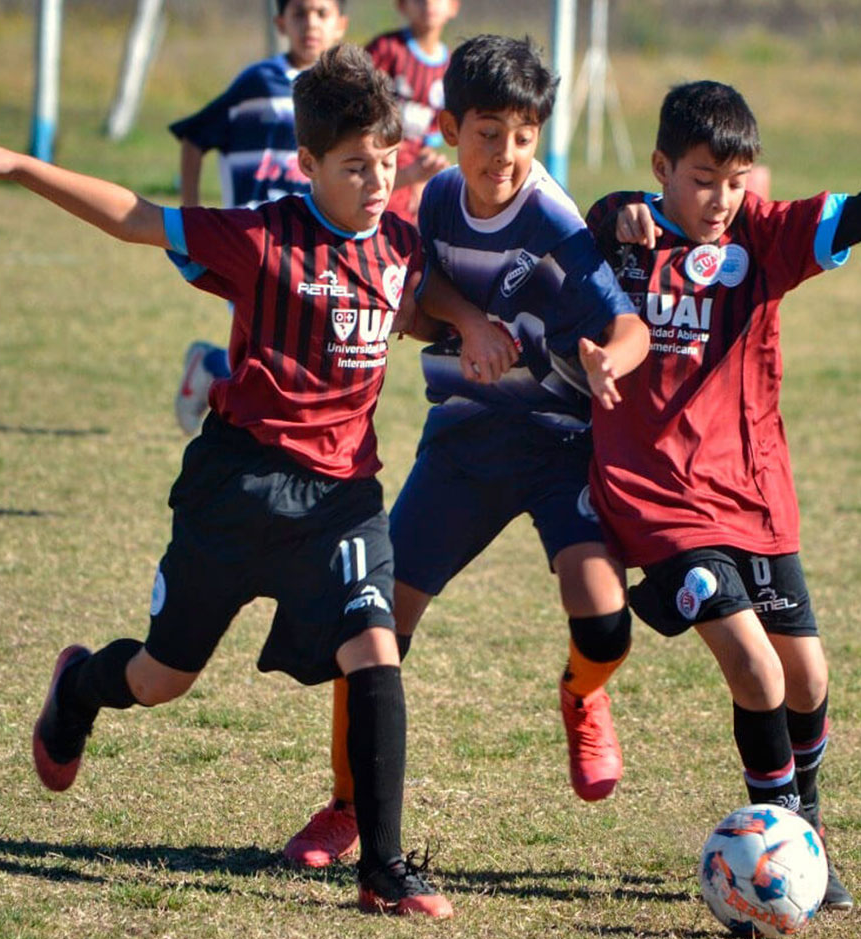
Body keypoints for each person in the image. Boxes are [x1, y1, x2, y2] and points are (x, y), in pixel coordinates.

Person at [0, 44, 454, 918]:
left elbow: (435, 302)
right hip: (237, 488)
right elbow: (134, 216)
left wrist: (479, 329)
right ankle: (76, 689)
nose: (375, 183)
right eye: (354, 167)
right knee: (160, 678)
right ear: (309, 166)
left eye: (387, 162)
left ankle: (387, 868)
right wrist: (21, 164)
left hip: (343, 500)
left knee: (376, 651)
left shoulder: (402, 245)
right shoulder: (263, 234)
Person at [579, 80, 861, 912]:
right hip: (657, 501)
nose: (719, 199)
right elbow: (585, 221)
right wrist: (616, 207)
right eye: (699, 179)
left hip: (754, 496)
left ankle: (809, 839)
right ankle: (781, 837)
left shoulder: (767, 235)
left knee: (806, 673)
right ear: (662, 169)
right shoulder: (627, 238)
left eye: (735, 179)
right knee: (754, 669)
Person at [279, 33, 651, 869]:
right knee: (372, 629)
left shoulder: (555, 222)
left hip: (558, 445)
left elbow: (630, 327)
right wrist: (464, 319)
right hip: (461, 447)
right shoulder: (437, 201)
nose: (507, 155)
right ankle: (344, 808)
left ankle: (582, 696)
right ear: (449, 127)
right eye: (489, 132)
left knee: (605, 622)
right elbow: (408, 279)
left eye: (523, 136)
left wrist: (607, 361)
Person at [171, 0, 349, 435]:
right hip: (253, 242)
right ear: (281, 23)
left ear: (340, 24)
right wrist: (192, 215)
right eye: (301, 13)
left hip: (312, 245)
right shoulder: (259, 82)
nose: (311, 23)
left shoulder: (344, 95)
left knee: (289, 351)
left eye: (322, 13)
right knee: (274, 349)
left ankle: (211, 367)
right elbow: (195, 138)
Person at [365, 0, 458, 224]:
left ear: (454, 6)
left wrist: (422, 178)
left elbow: (431, 138)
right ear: (402, 5)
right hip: (374, 159)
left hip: (412, 174)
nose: (428, 3)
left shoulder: (451, 68)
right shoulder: (386, 49)